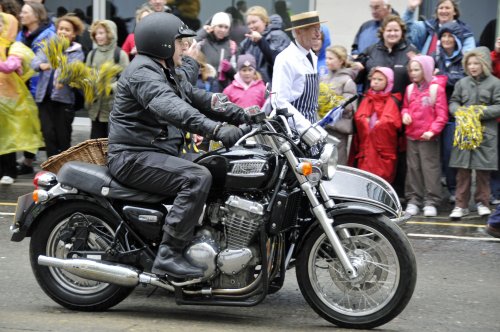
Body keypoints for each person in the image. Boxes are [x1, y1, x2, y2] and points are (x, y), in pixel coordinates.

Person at [107, 12, 250, 278]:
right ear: (162, 43)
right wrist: (216, 129)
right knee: (196, 178)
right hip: (133, 156)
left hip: (157, 151)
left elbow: (200, 97)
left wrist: (242, 113)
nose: (186, 47)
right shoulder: (142, 72)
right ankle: (169, 254)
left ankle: (206, 239)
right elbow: (175, 109)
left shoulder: (164, 69)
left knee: (220, 168)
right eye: (180, 42)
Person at [355, 14, 418, 197]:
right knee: (371, 150)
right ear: (382, 32)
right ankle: (368, 191)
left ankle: (396, 192)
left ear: (402, 32)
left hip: (400, 108)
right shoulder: (371, 50)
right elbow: (359, 75)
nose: (392, 33)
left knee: (398, 152)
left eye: (396, 30)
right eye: (389, 30)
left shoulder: (410, 51)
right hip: (374, 109)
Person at [448, 47, 500, 219]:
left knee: (483, 171)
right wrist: (459, 112)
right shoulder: (462, 83)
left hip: (486, 134)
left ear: (484, 64)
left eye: (476, 63)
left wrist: (479, 111)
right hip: (465, 132)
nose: (472, 66)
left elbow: (498, 106)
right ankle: (460, 205)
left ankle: (482, 203)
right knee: (462, 170)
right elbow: (453, 102)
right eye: (469, 63)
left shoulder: (495, 83)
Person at [31, 15, 85, 158]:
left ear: (73, 34)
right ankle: (51, 169)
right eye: (60, 28)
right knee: (48, 134)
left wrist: (63, 78)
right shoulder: (48, 45)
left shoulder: (77, 51)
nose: (63, 32)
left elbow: (73, 69)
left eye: (67, 30)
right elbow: (35, 61)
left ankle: (64, 168)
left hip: (64, 100)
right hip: (44, 98)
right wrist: (41, 65)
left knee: (63, 136)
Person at [402, 55, 448, 217]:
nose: (413, 73)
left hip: (429, 138)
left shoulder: (436, 89)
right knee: (413, 169)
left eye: (417, 69)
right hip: (412, 136)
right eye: (411, 70)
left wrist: (432, 131)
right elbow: (405, 107)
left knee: (430, 169)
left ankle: (431, 200)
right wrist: (405, 114)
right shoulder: (409, 89)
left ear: (426, 70)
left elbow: (442, 115)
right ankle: (414, 199)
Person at [0, 12, 43, 184]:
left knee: (8, 137)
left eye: (1, 24)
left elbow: (12, 66)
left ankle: (9, 172)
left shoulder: (14, 47)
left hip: (11, 102)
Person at [16, 1, 55, 175]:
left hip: (41, 87)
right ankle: (28, 161)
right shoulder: (21, 34)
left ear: (37, 15)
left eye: (25, 12)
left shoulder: (49, 34)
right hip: (23, 85)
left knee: (45, 126)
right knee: (28, 125)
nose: (21, 15)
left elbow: (46, 62)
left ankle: (51, 163)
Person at [272, 11, 326, 134]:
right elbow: (279, 101)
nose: (318, 34)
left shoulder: (312, 55)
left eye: (319, 29)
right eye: (314, 30)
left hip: (311, 129)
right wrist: (306, 129)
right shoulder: (285, 59)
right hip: (292, 132)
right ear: (298, 32)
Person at [432, 22, 466, 204]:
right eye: (443, 36)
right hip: (434, 113)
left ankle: (453, 189)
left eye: (450, 37)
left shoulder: (461, 59)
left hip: (452, 114)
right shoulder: (435, 57)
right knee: (433, 156)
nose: (446, 40)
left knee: (450, 153)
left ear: (457, 40)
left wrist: (440, 76)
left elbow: (460, 79)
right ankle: (435, 191)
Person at [352, 67, 402, 183]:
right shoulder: (366, 98)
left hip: (383, 149)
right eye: (374, 79)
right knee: (365, 175)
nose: (375, 82)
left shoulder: (393, 100)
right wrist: (365, 121)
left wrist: (378, 125)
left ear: (388, 82)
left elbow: (393, 121)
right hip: (367, 147)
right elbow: (359, 117)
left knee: (382, 176)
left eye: (380, 79)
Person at [86, 19, 129, 139]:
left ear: (110, 34)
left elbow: (126, 79)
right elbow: (86, 74)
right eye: (96, 33)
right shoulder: (92, 54)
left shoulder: (120, 54)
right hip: (96, 109)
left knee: (112, 142)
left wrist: (111, 88)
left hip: (112, 107)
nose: (98, 36)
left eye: (102, 33)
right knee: (95, 142)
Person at [320, 45, 357, 165]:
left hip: (338, 129)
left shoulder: (347, 81)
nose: (327, 61)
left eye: (331, 58)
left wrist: (332, 101)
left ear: (341, 61)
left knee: (337, 162)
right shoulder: (323, 78)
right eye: (326, 58)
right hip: (323, 127)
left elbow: (349, 106)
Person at [403, 0, 475, 55]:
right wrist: (410, 9)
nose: (444, 11)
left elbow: (468, 57)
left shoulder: (465, 32)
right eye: (441, 8)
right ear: (437, 11)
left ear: (454, 12)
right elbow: (406, 28)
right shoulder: (428, 26)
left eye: (447, 8)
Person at [239, 6, 290, 84]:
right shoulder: (247, 42)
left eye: (254, 22)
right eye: (248, 24)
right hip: (252, 90)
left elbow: (278, 61)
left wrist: (261, 41)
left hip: (273, 88)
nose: (251, 26)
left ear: (264, 21)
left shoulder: (278, 36)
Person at [197, 12, 236, 92]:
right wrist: (203, 31)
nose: (223, 30)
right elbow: (190, 43)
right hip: (203, 87)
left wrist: (229, 69)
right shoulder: (202, 41)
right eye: (220, 26)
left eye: (226, 27)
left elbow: (236, 75)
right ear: (213, 26)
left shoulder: (231, 45)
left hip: (222, 90)